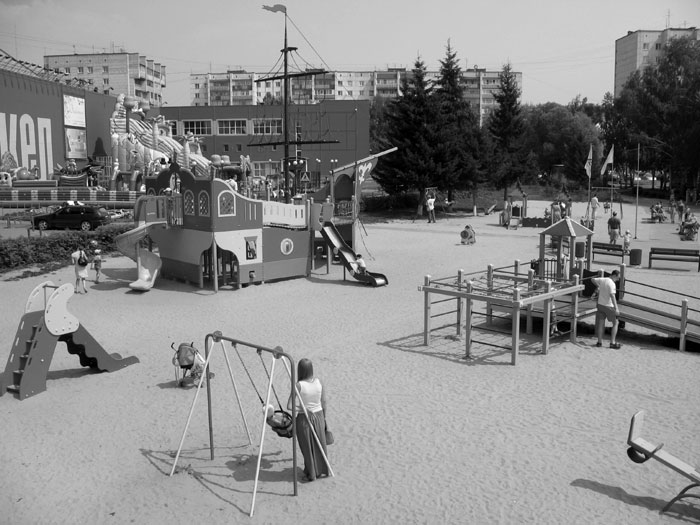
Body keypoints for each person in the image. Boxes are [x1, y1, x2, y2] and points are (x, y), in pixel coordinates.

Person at [288, 358, 330, 482]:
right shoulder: (319, 381)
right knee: (320, 445)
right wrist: (324, 418)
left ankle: (311, 474)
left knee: (307, 447)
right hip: (319, 416)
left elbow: (289, 406)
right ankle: (322, 470)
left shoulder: (299, 385)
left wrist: (304, 409)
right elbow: (324, 402)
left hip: (304, 418)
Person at [592, 270, 621, 349]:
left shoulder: (603, 279)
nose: (618, 279)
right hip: (608, 306)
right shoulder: (612, 284)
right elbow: (612, 296)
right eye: (617, 278)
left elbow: (593, 279)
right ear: (614, 276)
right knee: (616, 323)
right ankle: (612, 342)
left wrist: (598, 286)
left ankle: (599, 342)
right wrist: (616, 308)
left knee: (601, 323)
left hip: (600, 304)